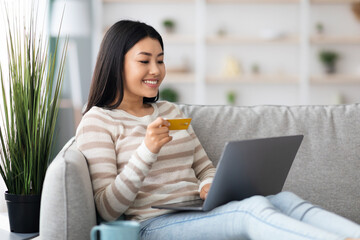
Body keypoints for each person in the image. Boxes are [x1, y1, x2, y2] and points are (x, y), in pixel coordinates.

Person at [75, 20, 360, 240]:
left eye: (160, 60)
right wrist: (146, 152)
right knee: (251, 211)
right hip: (151, 225)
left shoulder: (171, 112)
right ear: (116, 63)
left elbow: (204, 167)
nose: (156, 70)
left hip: (198, 211)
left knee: (282, 199)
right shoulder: (99, 121)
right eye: (144, 60)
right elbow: (107, 208)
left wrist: (207, 186)